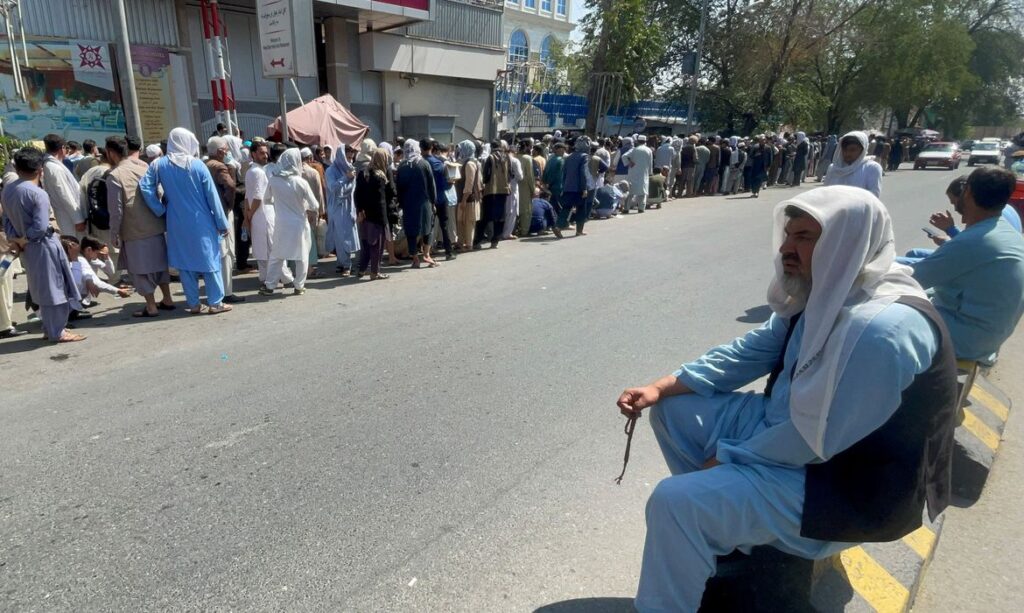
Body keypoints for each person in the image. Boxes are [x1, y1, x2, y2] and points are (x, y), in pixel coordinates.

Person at [619, 186, 958, 612]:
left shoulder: (881, 328)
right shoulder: (832, 290)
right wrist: (662, 387)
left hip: (846, 485)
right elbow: (753, 350)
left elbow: (820, 439)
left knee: (677, 501)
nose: (786, 248)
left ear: (848, 241)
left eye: (805, 237)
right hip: (794, 438)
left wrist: (728, 457)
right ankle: (730, 538)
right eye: (789, 234)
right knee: (674, 409)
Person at [910, 167, 1024, 362]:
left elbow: (912, 279)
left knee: (880, 317)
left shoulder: (974, 240)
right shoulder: (1004, 232)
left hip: (966, 339)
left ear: (968, 192)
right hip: (986, 336)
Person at [139, 127, 232, 315]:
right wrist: (222, 223)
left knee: (185, 264)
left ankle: (194, 304)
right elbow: (212, 197)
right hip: (202, 221)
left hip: (175, 220)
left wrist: (160, 209)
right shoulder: (197, 165)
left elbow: (145, 186)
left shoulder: (159, 164)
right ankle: (215, 303)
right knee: (210, 261)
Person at [2, 147, 85, 342]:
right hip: (43, 244)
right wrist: (26, 238)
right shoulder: (37, 193)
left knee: (42, 288)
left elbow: (6, 220)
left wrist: (18, 239)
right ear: (40, 168)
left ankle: (50, 328)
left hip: (27, 248)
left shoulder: (8, 190)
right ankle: (58, 331)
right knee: (55, 287)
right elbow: (40, 227)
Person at [106, 136, 174, 318]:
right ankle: (167, 298)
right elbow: (159, 191)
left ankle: (151, 306)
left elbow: (116, 209)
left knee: (140, 269)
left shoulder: (114, 175)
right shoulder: (144, 166)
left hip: (134, 228)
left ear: (111, 153)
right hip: (155, 223)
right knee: (160, 265)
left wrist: (114, 233)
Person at [258, 149, 319, 296]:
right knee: (302, 256)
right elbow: (315, 205)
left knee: (277, 255)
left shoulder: (273, 179)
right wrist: (303, 206)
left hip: (281, 223)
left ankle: (270, 286)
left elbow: (266, 199)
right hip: (299, 224)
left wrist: (279, 202)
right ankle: (299, 286)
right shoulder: (301, 182)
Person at [204, 136, 245, 304]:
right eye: (226, 149)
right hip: (222, 212)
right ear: (220, 151)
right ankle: (226, 291)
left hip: (209, 213)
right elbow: (230, 186)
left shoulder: (204, 164)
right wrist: (229, 205)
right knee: (226, 253)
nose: (228, 152)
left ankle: (218, 291)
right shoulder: (220, 166)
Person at [354, 147, 395, 280]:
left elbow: (357, 194)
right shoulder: (380, 176)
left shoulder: (363, 173)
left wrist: (360, 210)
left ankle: (361, 270)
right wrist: (384, 219)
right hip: (377, 216)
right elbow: (382, 199)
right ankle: (374, 272)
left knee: (366, 243)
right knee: (377, 245)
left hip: (365, 215)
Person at [396, 139, 438, 266]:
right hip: (424, 203)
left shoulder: (402, 166)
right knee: (428, 228)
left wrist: (401, 203)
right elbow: (431, 185)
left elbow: (399, 188)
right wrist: (433, 201)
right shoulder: (424, 164)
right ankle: (426, 254)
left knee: (411, 232)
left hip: (408, 205)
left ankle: (415, 258)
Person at [324, 143, 362, 276]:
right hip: (336, 207)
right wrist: (346, 178)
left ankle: (347, 263)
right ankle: (345, 264)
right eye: (348, 154)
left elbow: (351, 190)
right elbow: (333, 188)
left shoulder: (351, 168)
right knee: (340, 236)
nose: (351, 157)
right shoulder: (331, 171)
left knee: (349, 235)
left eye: (352, 154)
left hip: (349, 206)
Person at [41, 134, 87, 237]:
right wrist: (78, 219)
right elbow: (65, 194)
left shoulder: (53, 165)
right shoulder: (54, 167)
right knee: (76, 246)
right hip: (69, 217)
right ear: (62, 148)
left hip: (68, 215)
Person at [822, 131, 883, 198]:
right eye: (845, 150)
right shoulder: (833, 168)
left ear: (862, 150)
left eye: (852, 150)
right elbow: (825, 194)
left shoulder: (871, 168)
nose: (848, 153)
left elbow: (873, 197)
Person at [474, 139, 511, 250]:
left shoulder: (490, 158)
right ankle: (495, 241)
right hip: (503, 191)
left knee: (485, 217)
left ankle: (478, 241)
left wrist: (483, 183)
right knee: (500, 217)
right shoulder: (507, 157)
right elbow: (511, 174)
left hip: (491, 191)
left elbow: (486, 175)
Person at [559, 137, 591, 232]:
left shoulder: (569, 156)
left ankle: (558, 226)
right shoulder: (584, 156)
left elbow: (564, 172)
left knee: (566, 208)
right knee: (581, 209)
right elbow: (583, 173)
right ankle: (579, 231)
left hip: (568, 187)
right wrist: (584, 188)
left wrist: (564, 186)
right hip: (579, 188)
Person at [455, 140, 481, 252]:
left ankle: (468, 245)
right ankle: (461, 243)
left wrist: (464, 199)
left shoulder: (470, 163)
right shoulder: (466, 162)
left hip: (468, 198)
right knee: (461, 221)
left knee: (468, 222)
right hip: (463, 197)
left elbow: (469, 184)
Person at [622, 135, 654, 213]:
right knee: (642, 192)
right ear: (645, 141)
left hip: (633, 173)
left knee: (630, 192)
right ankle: (641, 208)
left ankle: (626, 208)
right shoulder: (649, 150)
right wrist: (650, 172)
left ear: (637, 141)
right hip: (644, 174)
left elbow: (624, 156)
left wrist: (629, 163)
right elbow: (650, 163)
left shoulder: (634, 149)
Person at [542, 141, 566, 218]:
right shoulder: (560, 160)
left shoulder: (550, 159)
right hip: (558, 186)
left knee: (552, 205)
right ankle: (561, 223)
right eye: (563, 149)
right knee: (559, 205)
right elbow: (556, 175)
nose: (564, 152)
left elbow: (545, 173)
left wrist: (546, 184)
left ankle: (553, 222)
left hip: (549, 186)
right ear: (558, 149)